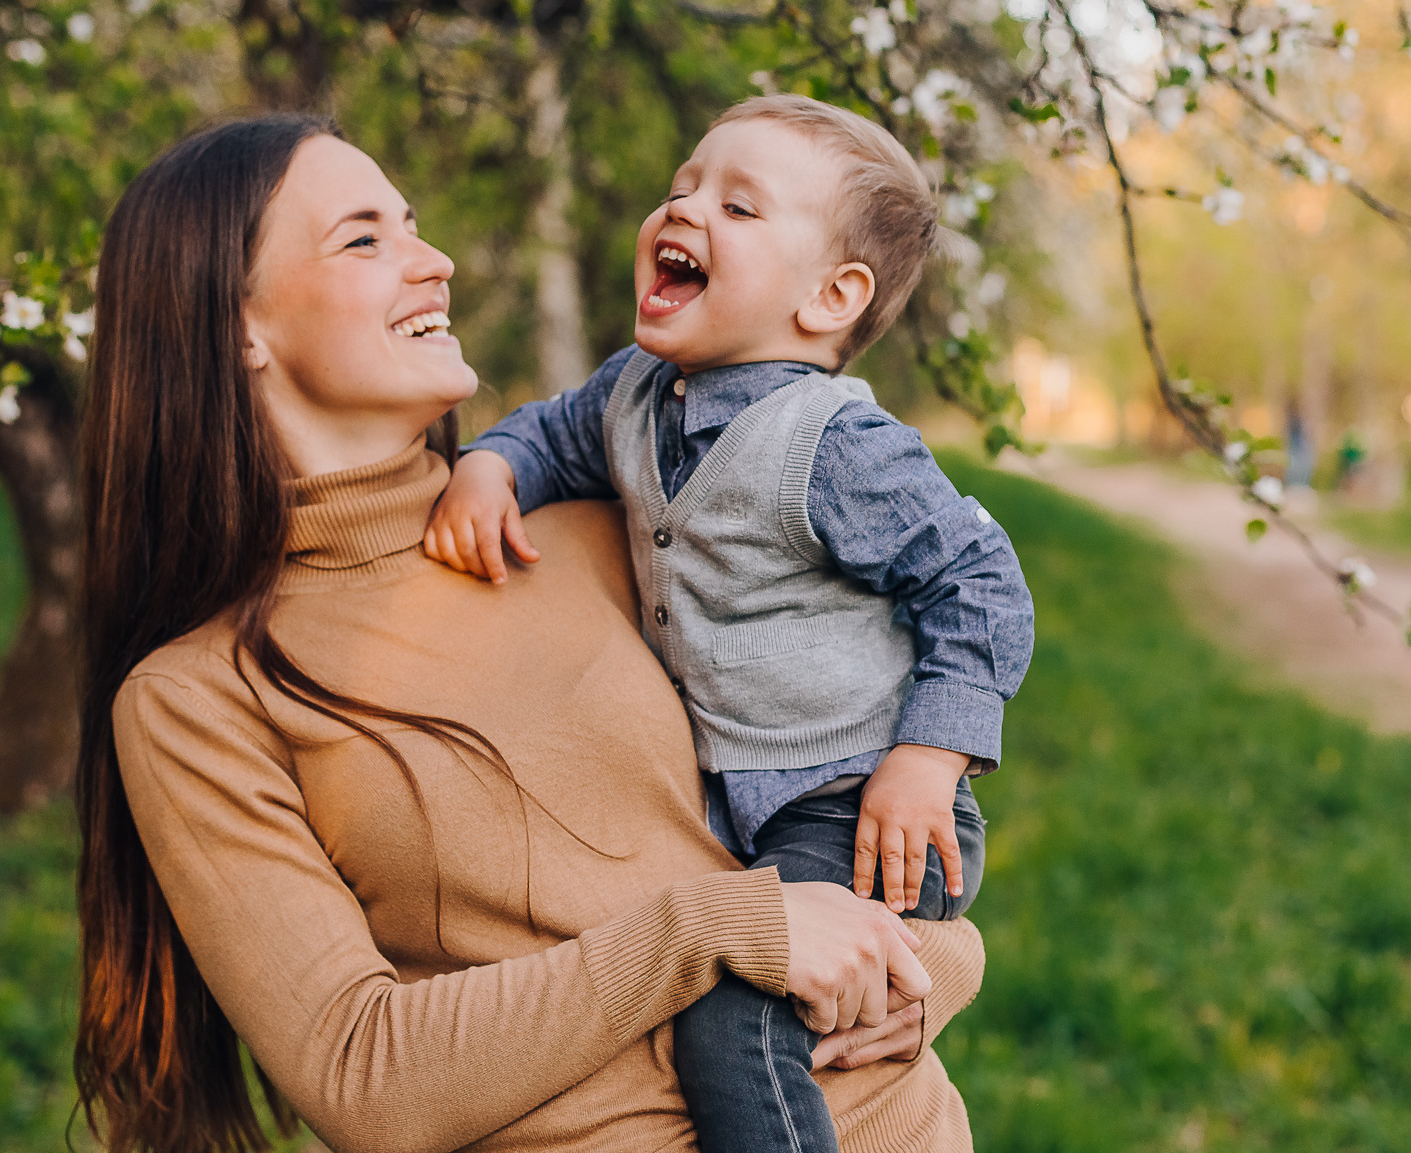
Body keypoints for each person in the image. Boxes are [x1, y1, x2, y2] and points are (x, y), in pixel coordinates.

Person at [72, 113, 987, 1153]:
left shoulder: (611, 535)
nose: (435, 262)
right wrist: (706, 931)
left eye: (413, 225)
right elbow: (361, 1073)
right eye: (365, 238)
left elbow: (836, 786)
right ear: (235, 321)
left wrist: (942, 967)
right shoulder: (196, 697)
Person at [425, 95, 1033, 1153]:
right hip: (740, 810)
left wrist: (928, 754)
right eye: (680, 187)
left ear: (829, 296)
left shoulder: (835, 443)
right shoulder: (635, 395)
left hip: (864, 803)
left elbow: (977, 576)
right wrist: (491, 463)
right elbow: (552, 431)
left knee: (733, 1009)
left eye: (738, 206)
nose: (684, 209)